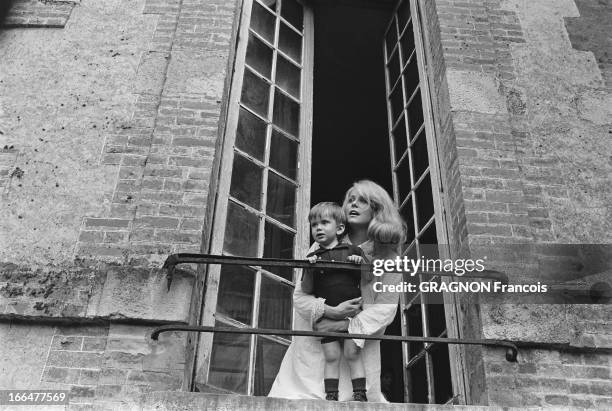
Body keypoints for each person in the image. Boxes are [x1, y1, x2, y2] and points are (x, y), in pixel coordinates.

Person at [268, 180, 406, 402]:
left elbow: (386, 310)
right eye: (350, 199)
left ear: (377, 210)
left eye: (362, 201)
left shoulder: (390, 259)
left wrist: (344, 324)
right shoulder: (323, 245)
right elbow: (300, 297)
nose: (353, 204)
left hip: (357, 353)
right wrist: (330, 311)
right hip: (315, 351)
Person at [301, 202, 369, 401]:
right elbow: (306, 289)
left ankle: (360, 394)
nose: (318, 228)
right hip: (328, 318)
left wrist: (361, 263)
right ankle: (331, 396)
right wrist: (308, 269)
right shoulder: (313, 256)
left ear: (339, 228)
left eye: (324, 223)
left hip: (353, 315)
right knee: (331, 355)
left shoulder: (352, 250)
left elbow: (369, 278)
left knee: (352, 352)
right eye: (314, 225)